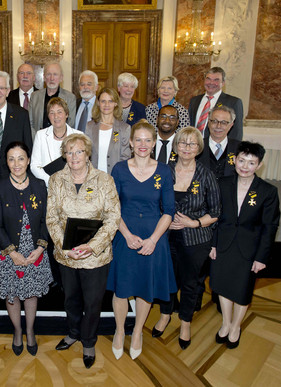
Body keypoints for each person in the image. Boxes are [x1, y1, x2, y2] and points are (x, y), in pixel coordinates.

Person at [46, 133, 120, 369]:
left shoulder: (104, 180)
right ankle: (73, 332)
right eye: (69, 152)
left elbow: (113, 218)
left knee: (93, 302)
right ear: (64, 155)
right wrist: (65, 249)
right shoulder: (56, 179)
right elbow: (51, 218)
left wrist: (92, 246)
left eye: (79, 151)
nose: (74, 156)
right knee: (71, 300)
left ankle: (88, 341)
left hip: (95, 258)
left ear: (88, 154)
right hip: (66, 257)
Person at [107, 119, 176, 361]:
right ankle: (118, 330)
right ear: (131, 143)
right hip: (124, 234)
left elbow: (168, 210)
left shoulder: (165, 171)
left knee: (145, 290)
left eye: (148, 140)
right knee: (122, 289)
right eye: (139, 140)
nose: (143, 144)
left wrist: (154, 240)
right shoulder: (119, 169)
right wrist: (126, 235)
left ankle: (137, 332)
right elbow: (112, 208)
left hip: (153, 236)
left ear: (155, 143)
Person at [151, 127, 221, 350]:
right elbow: (153, 201)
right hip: (166, 236)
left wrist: (194, 222)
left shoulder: (207, 175)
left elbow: (216, 211)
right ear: (176, 146)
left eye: (192, 144)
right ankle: (165, 315)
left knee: (190, 283)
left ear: (199, 148)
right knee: (167, 279)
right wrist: (163, 219)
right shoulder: (163, 171)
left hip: (196, 239)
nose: (187, 148)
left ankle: (185, 323)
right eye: (182, 143)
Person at [210, 141, 280, 349]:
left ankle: (236, 326)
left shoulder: (268, 191)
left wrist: (261, 257)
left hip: (249, 249)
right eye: (242, 160)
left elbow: (270, 227)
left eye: (251, 163)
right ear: (234, 160)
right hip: (223, 243)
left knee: (242, 290)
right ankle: (225, 323)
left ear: (259, 165)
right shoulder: (222, 183)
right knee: (222, 285)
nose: (245, 166)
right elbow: (215, 217)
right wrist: (213, 244)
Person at [0, 141, 52, 356]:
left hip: (34, 249)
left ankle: (30, 331)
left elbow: (46, 220)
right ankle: (17, 332)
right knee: (12, 295)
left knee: (31, 293)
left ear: (28, 160)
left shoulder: (40, 186)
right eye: (11, 159)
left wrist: (41, 248)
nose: (16, 164)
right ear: (6, 162)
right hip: (8, 251)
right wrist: (12, 253)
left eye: (21, 158)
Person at [31, 97, 82, 186]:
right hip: (48, 188)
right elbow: (34, 166)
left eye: (59, 112)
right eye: (52, 113)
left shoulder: (79, 135)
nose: (56, 116)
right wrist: (51, 181)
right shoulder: (41, 135)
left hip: (73, 187)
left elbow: (83, 164)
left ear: (66, 114)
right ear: (48, 116)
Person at [188, 67, 244, 141]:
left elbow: (236, 131)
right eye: (208, 79)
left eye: (216, 80)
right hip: (193, 146)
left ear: (223, 83)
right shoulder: (194, 100)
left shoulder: (233, 102)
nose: (211, 83)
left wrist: (231, 151)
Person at [85, 87, 131, 174]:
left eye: (110, 101)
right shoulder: (90, 126)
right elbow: (86, 154)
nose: (107, 104)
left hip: (115, 178)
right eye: (103, 101)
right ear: (98, 103)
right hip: (93, 177)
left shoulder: (124, 128)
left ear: (116, 103)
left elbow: (125, 158)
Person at [29, 62, 77, 138]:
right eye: (48, 74)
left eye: (55, 74)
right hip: (38, 140)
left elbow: (71, 123)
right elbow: (30, 123)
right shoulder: (35, 96)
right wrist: (38, 138)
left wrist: (60, 139)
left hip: (61, 141)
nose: (52, 78)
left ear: (61, 78)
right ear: (44, 77)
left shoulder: (70, 98)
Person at [197, 105, 241, 179]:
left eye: (224, 122)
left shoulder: (239, 148)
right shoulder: (197, 146)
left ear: (231, 125)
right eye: (214, 121)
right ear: (208, 123)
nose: (218, 126)